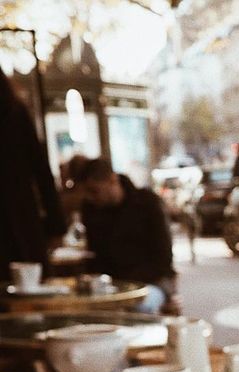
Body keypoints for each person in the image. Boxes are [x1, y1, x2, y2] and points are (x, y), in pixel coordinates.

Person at [78, 157, 179, 314]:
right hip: (112, 285)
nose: (91, 197)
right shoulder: (92, 210)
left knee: (139, 306)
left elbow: (163, 260)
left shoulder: (148, 203)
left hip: (154, 282)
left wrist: (122, 283)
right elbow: (96, 256)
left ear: (112, 180)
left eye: (94, 191)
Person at [0, 67, 67, 280]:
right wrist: (56, 225)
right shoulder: (14, 113)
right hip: (19, 222)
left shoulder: (14, 114)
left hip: (16, 223)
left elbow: (42, 172)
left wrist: (56, 225)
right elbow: (42, 172)